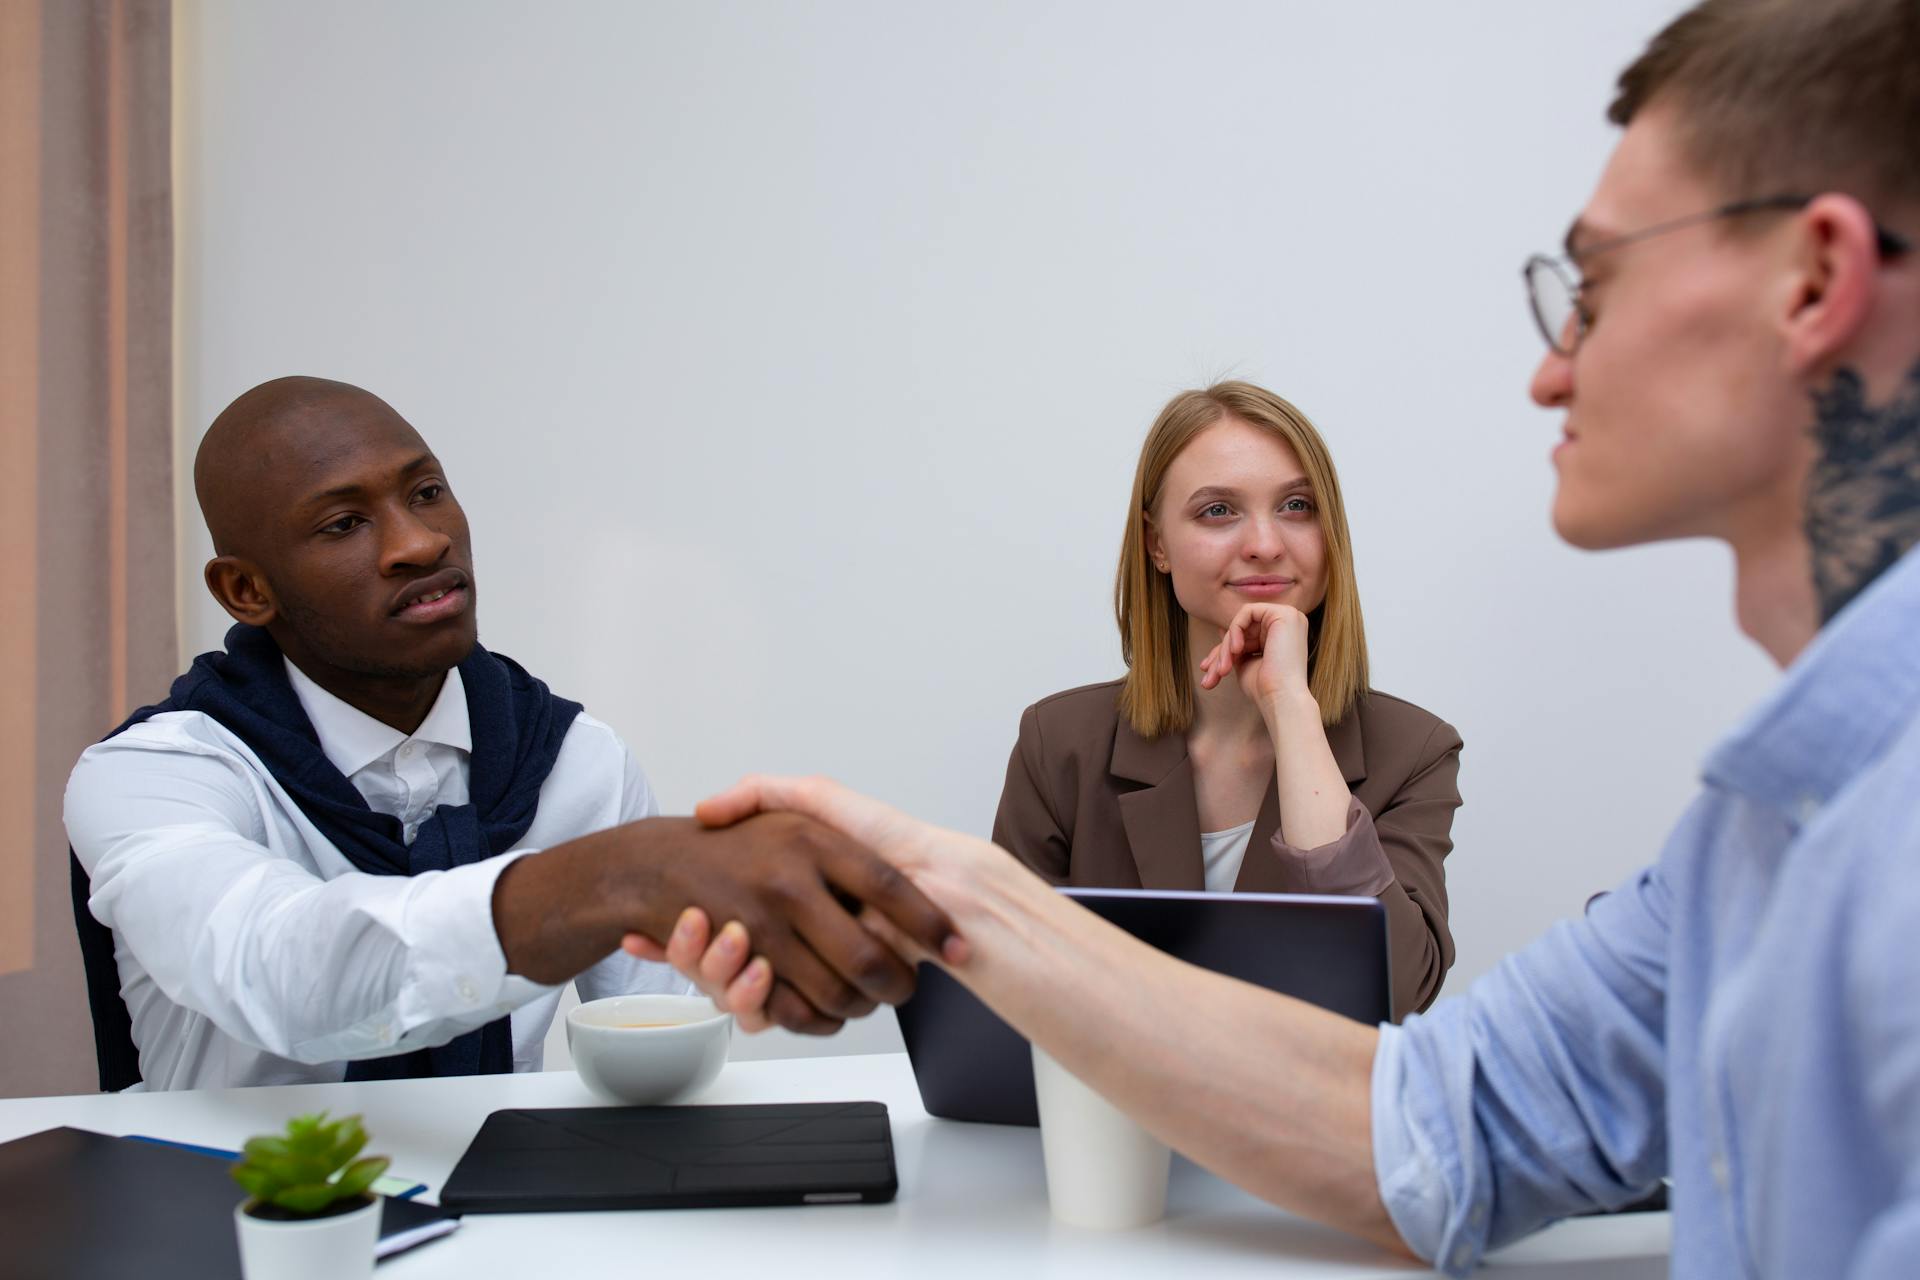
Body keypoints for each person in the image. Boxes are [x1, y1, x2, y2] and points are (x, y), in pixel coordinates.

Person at [652, 0, 1920, 1273]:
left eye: (1592, 285)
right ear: (1155, 542)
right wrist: (939, 895)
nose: (1550, 367)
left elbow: (1403, 1027)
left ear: (1813, 283)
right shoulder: (1744, 844)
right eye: (1216, 510)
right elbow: (1440, 1127)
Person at [65, 376, 959, 1092]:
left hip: (507, 1228)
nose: (418, 542)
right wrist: (619, 875)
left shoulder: (575, 762)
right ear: (246, 592)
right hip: (227, 1226)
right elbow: (282, 972)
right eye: (344, 524)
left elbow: (656, 1045)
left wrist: (760, 981)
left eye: (427, 492)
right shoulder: (156, 777)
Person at [993, 381, 1461, 1018]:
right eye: (1218, 511)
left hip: (1306, 1116)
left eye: (1297, 506)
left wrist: (1291, 709)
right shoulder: (1059, 742)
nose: (1266, 543)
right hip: (1111, 1113)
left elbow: (1395, 992)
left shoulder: (1414, 751)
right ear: (1157, 544)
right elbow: (1001, 992)